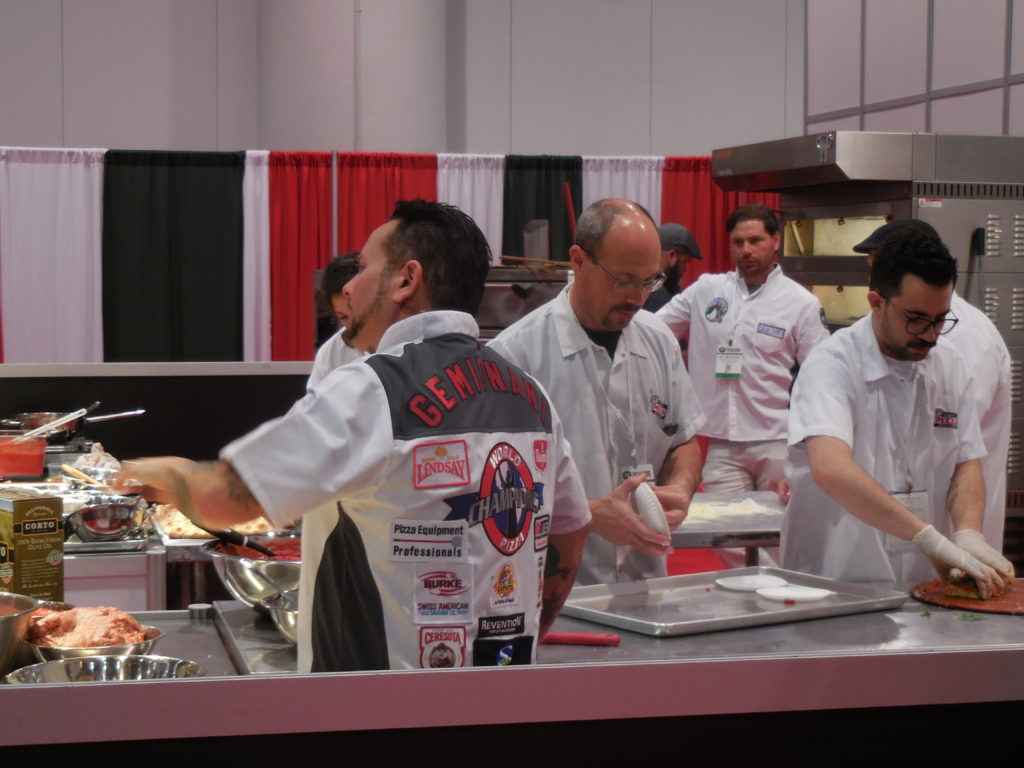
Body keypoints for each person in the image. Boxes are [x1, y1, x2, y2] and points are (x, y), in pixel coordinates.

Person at [117, 200, 591, 672]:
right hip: (500, 700)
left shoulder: (373, 386)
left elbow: (228, 499)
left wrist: (165, 472)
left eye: (364, 268)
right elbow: (571, 525)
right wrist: (535, 626)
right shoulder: (532, 397)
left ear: (407, 280)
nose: (349, 285)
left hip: (371, 711)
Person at [781, 228, 1014, 594]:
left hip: (924, 582)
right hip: (837, 578)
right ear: (876, 302)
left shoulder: (949, 363)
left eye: (941, 320)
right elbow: (831, 468)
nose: (931, 335)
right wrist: (927, 537)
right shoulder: (832, 364)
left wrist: (967, 532)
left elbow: (967, 461)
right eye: (916, 319)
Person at [490, 199, 705, 585]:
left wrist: (680, 488)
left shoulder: (658, 340)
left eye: (649, 281)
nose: (637, 298)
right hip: (555, 591)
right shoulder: (515, 356)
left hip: (647, 583)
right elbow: (494, 493)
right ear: (579, 260)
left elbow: (682, 441)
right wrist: (586, 514)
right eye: (623, 280)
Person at [854, 219, 1012, 550]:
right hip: (920, 530)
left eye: (878, 269)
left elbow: (954, 437)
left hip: (955, 527)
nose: (874, 282)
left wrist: (964, 536)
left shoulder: (959, 334)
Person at [656, 203, 830, 493]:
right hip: (721, 443)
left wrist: (810, 445)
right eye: (738, 242)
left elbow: (822, 376)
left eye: (755, 241)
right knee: (727, 535)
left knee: (776, 536)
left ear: (775, 241)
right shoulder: (707, 290)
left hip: (779, 441)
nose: (746, 250)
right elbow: (654, 329)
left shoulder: (801, 302)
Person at [308, 253, 365, 389]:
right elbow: (316, 405)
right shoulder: (331, 352)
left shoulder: (405, 343)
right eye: (343, 317)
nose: (352, 326)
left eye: (357, 314)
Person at [643, 222, 702, 313]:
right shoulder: (659, 294)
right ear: (671, 256)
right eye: (684, 262)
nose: (685, 269)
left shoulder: (640, 285)